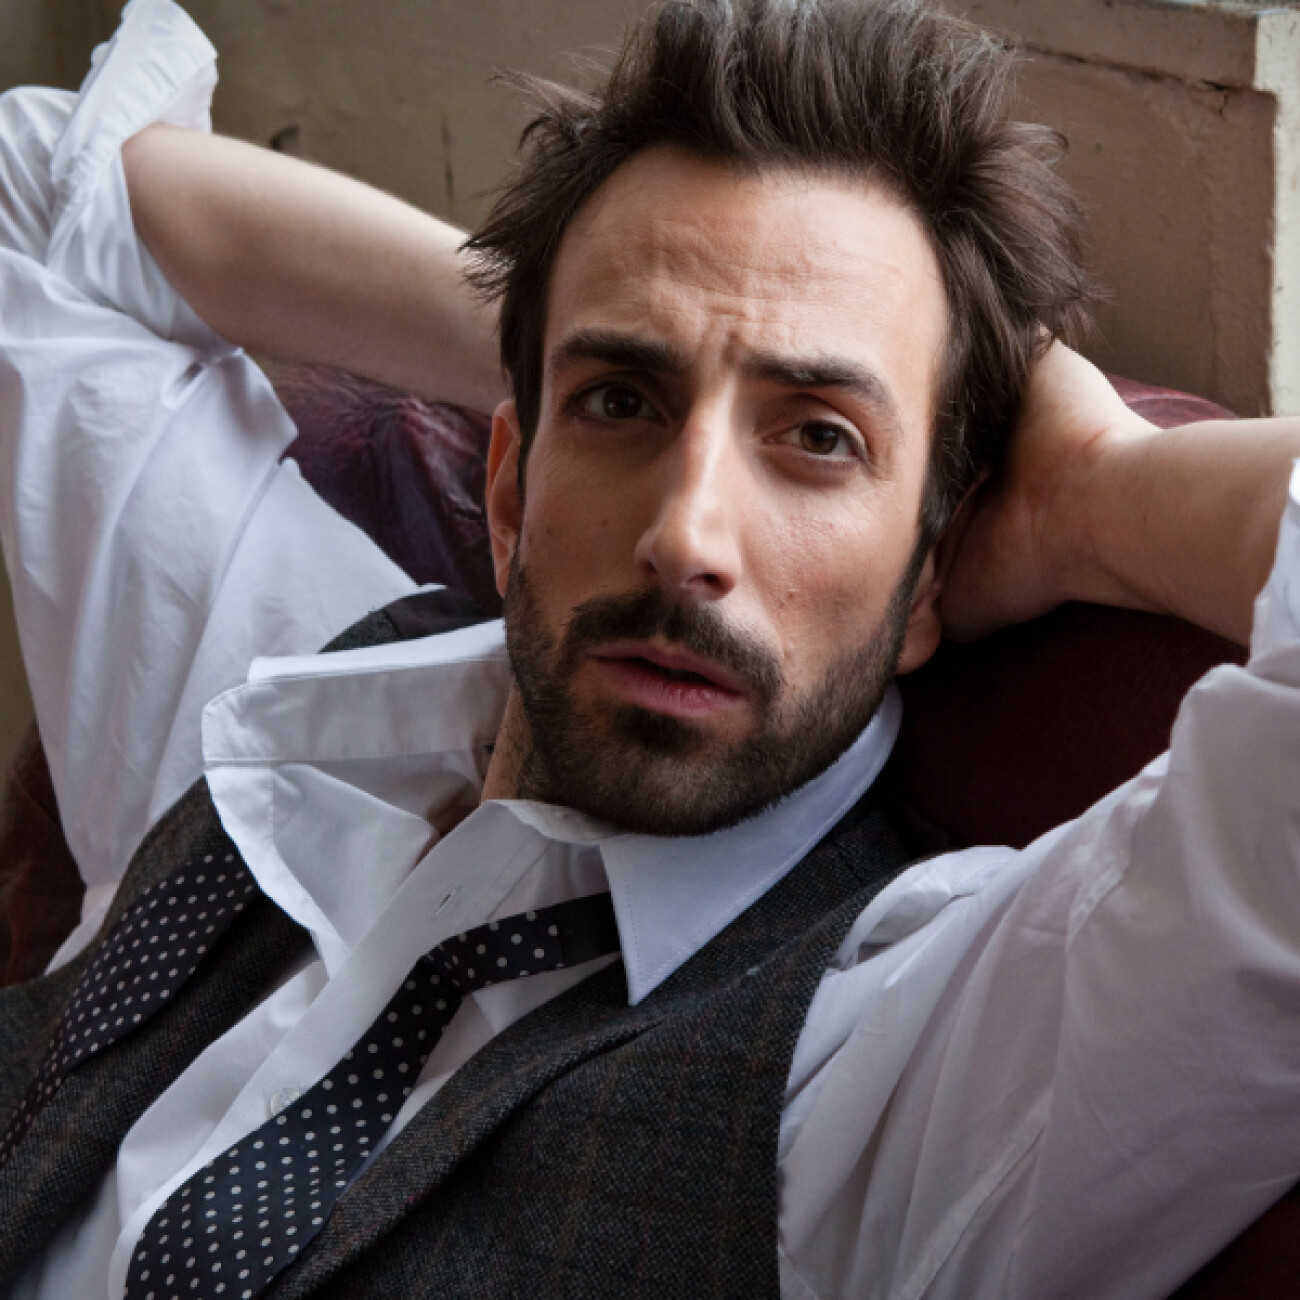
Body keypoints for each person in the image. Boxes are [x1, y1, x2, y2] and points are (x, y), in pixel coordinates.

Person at [0, 0, 1297, 1296]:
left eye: (820, 437)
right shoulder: (275, 721)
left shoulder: (913, 1042)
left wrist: (1095, 487)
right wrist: (565, 324)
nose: (686, 537)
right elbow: (42, 191)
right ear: (509, 491)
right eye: (622, 403)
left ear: (930, 577)